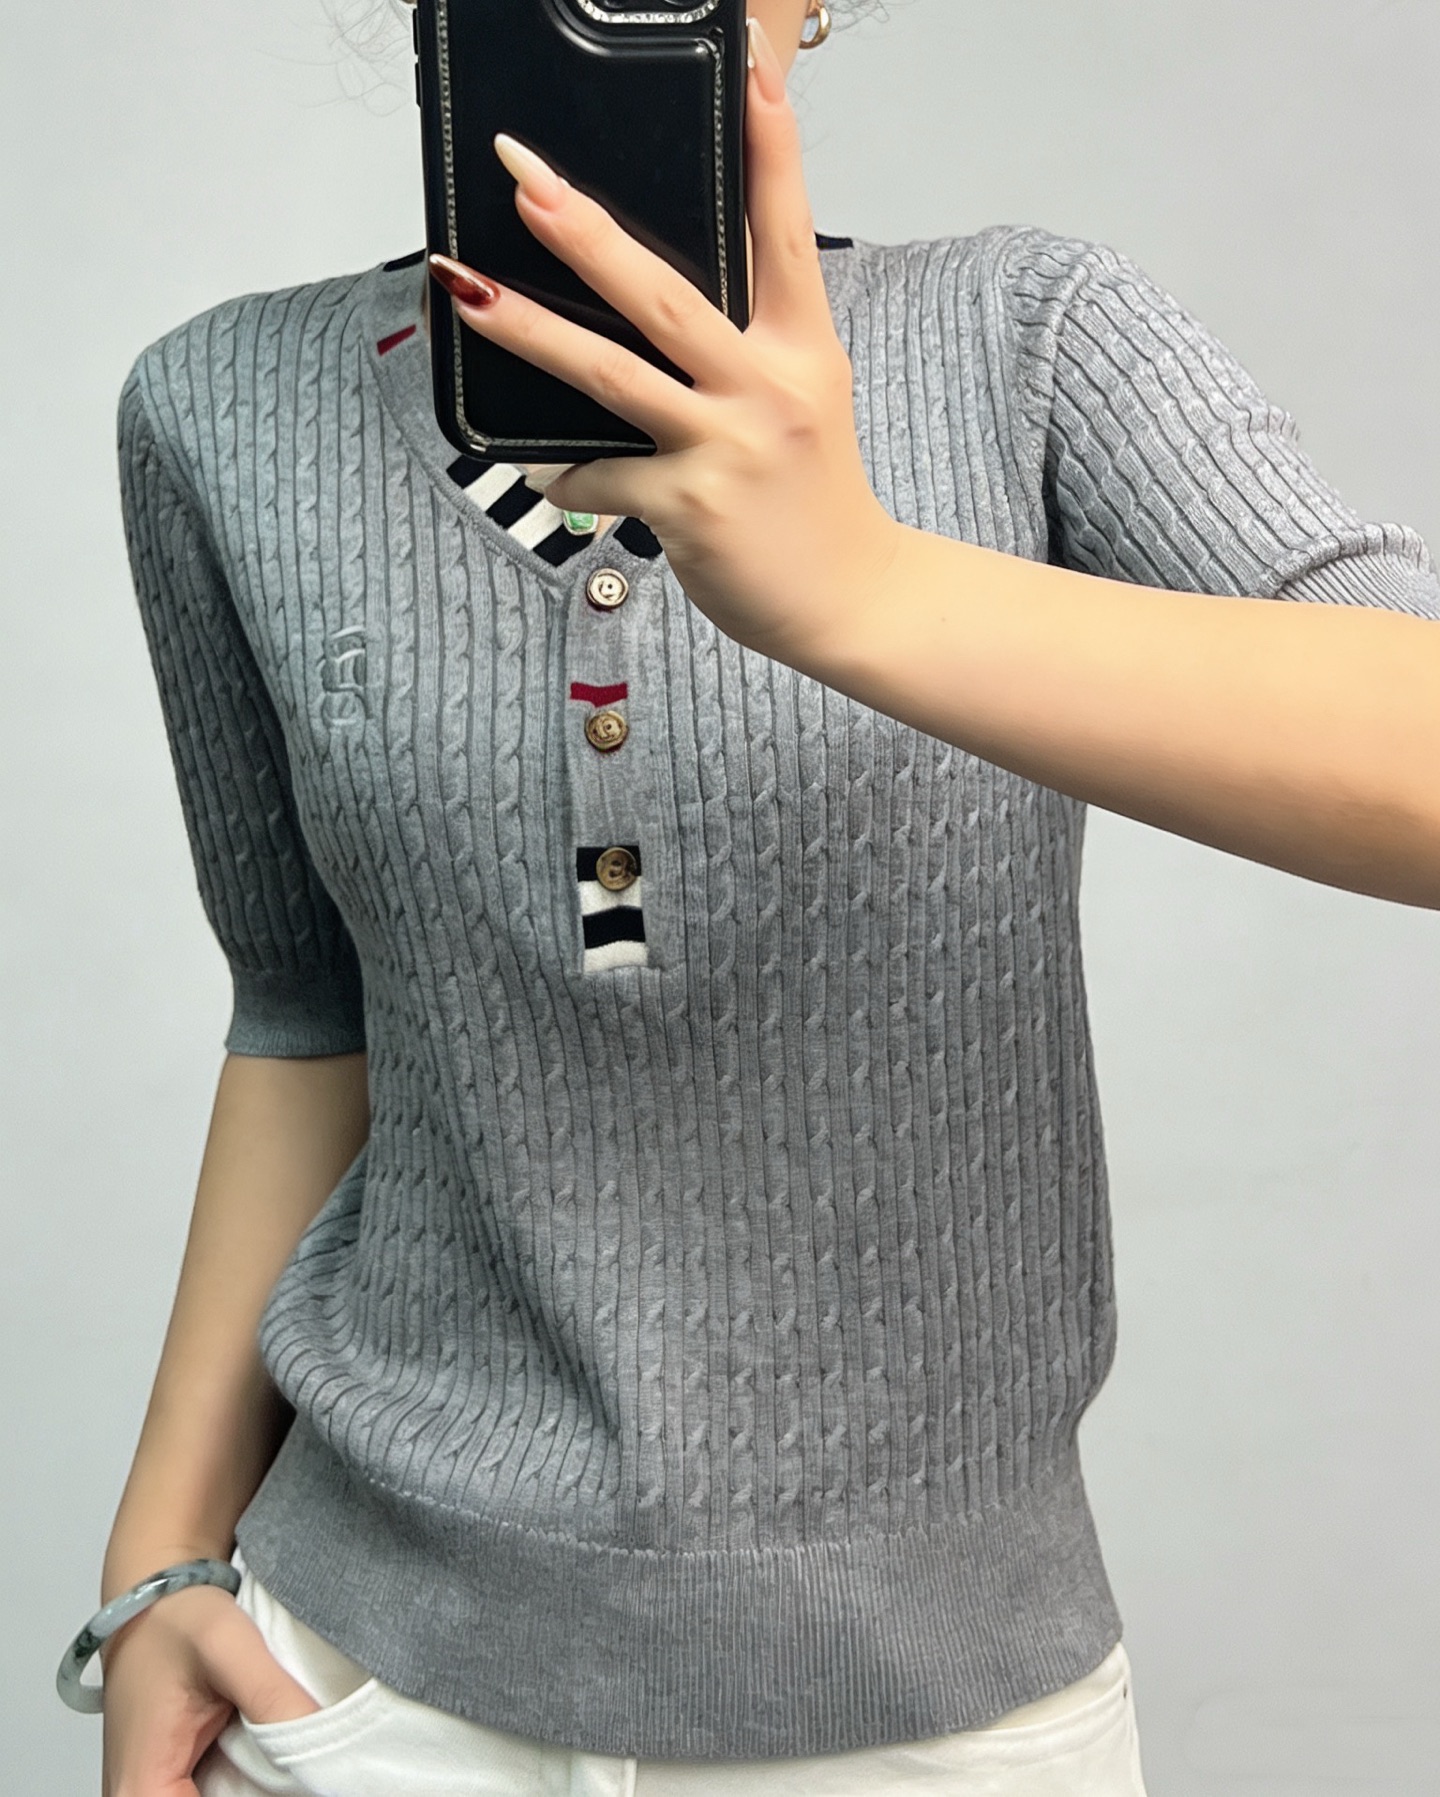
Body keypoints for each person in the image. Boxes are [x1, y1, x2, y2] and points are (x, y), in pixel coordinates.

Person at [93, 3, 1439, 1795]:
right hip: (353, 1686)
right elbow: (300, 1014)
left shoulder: (1027, 337)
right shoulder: (218, 408)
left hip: (936, 1717)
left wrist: (860, 586)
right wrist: (157, 1564)